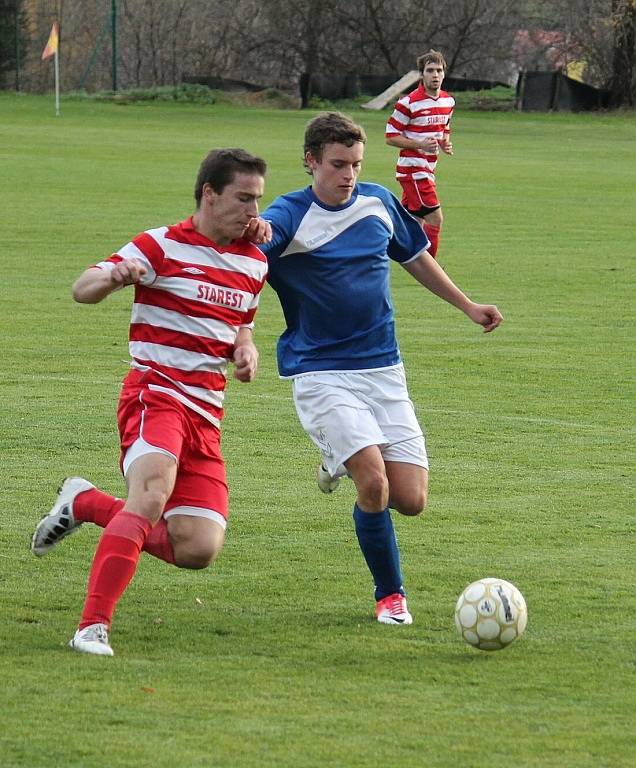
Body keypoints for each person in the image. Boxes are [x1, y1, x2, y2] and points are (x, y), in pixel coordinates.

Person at [259, 112, 502, 625]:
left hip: (384, 369)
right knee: (374, 486)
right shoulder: (286, 216)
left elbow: (416, 258)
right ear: (310, 162)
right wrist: (237, 331)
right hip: (321, 371)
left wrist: (468, 306)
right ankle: (391, 596)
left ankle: (336, 459)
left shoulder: (377, 202)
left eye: (356, 164)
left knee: (410, 500)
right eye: (337, 164)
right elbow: (247, 264)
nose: (348, 174)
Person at [31, 148, 270, 656]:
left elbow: (242, 326)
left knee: (197, 548)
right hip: (155, 394)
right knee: (151, 494)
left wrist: (246, 351)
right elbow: (82, 288)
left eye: (258, 201)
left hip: (207, 415)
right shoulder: (160, 245)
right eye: (243, 199)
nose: (254, 213)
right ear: (209, 193)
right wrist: (114, 278)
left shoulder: (254, 261)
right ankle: (91, 627)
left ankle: (85, 502)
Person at [385, 49, 455, 259]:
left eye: (439, 70)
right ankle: (431, 270)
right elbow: (390, 137)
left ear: (444, 74)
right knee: (436, 218)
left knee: (411, 222)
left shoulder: (448, 102)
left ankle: (373, 244)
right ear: (421, 74)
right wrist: (419, 145)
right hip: (413, 170)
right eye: (430, 70)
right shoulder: (408, 103)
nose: (435, 75)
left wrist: (445, 144)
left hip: (429, 169)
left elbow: (445, 129)